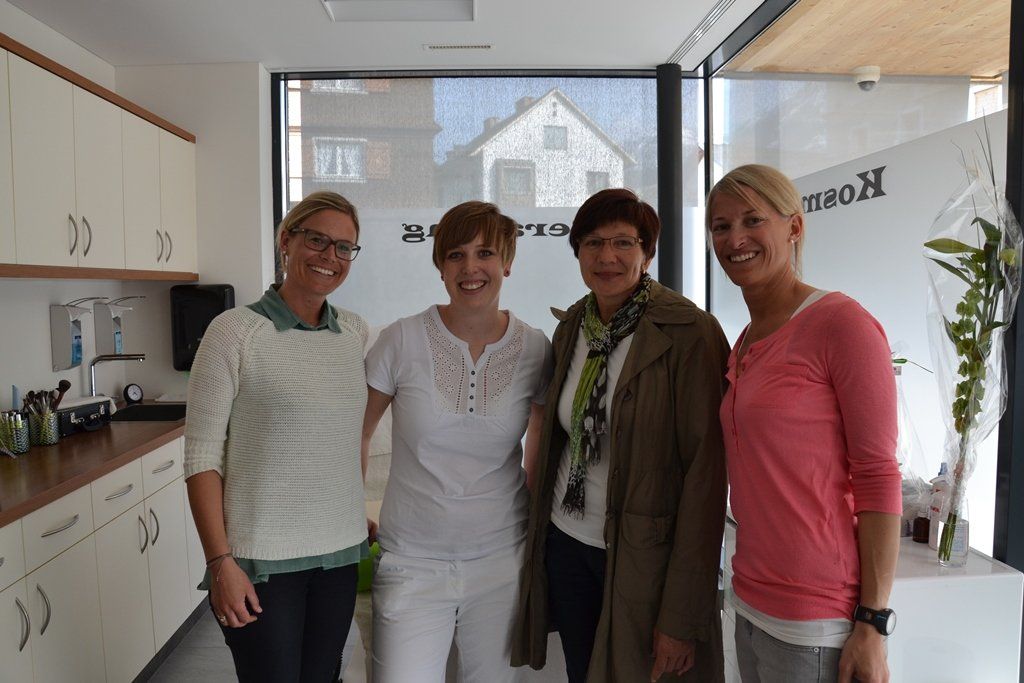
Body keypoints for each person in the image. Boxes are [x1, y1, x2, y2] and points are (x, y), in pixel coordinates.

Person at [512, 188, 729, 682]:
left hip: (643, 559)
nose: (606, 256)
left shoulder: (689, 333)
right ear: (578, 253)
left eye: (623, 242)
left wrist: (682, 614)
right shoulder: (574, 326)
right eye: (592, 243)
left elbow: (706, 479)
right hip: (568, 544)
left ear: (647, 253)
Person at [706, 164, 902, 683]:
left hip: (816, 619)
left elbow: (878, 475)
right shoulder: (746, 339)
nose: (735, 239)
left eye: (753, 220)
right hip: (749, 598)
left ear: (794, 227)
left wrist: (873, 622)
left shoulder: (841, 324)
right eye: (721, 226)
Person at [362, 201, 552, 682]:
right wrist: (348, 510)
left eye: (485, 253)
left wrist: (536, 522)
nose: (470, 268)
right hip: (411, 562)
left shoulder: (535, 347)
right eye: (456, 255)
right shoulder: (400, 340)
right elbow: (355, 434)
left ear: (507, 262)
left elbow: (541, 440)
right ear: (440, 266)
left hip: (501, 560)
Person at [184, 191, 370, 682]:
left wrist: (352, 509)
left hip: (339, 554)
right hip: (260, 562)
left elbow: (344, 437)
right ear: (286, 240)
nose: (330, 256)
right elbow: (201, 457)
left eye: (344, 247)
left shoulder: (354, 334)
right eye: (317, 240)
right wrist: (220, 562)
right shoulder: (233, 332)